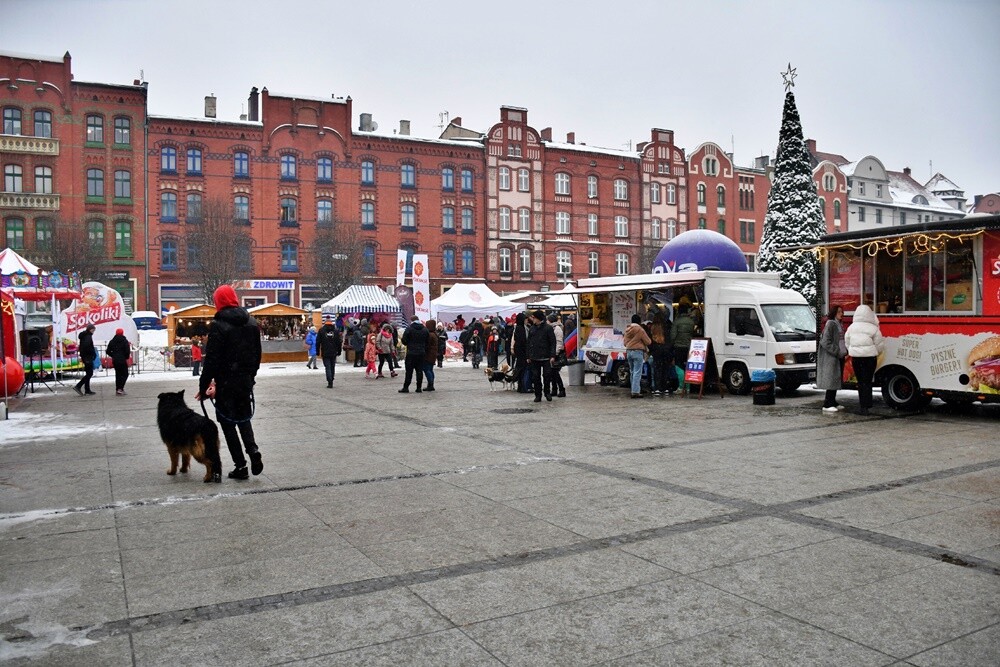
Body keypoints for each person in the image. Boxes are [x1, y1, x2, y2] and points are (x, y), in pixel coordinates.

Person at [196, 284, 263, 479]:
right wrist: (251, 376)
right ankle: (253, 451)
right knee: (243, 419)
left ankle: (240, 466)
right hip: (244, 382)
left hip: (225, 383)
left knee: (227, 423)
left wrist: (204, 385)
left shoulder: (219, 325)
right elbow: (257, 354)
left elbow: (212, 360)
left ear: (219, 302)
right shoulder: (251, 322)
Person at [845, 304, 884, 416]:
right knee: (867, 381)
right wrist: (873, 352)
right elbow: (879, 345)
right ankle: (867, 405)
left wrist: (853, 350)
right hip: (870, 359)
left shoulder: (851, 328)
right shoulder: (873, 328)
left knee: (861, 382)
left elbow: (847, 342)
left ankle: (862, 407)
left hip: (856, 359)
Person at [817, 305, 847, 413]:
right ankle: (827, 404)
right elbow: (825, 341)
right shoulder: (831, 324)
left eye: (842, 311)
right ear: (834, 313)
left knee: (835, 379)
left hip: (839, 355)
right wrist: (837, 351)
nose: (841, 314)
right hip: (832, 357)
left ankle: (833, 401)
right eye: (839, 312)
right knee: (831, 379)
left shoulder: (838, 324)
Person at [525, 310, 556, 402]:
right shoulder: (532, 329)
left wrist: (552, 355)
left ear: (538, 318)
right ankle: (538, 394)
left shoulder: (548, 328)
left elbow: (552, 342)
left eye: (534, 317)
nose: (532, 319)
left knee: (547, 376)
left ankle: (547, 393)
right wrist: (528, 356)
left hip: (546, 356)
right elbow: (529, 343)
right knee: (535, 376)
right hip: (534, 357)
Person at [624, 314, 652, 398]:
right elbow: (648, 341)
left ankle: (634, 389)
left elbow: (624, 343)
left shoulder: (627, 329)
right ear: (639, 321)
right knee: (637, 372)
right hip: (637, 352)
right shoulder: (640, 330)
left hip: (629, 352)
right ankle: (635, 391)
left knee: (632, 371)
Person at [399, 316, 429, 393]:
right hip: (421, 353)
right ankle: (419, 388)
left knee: (409, 371)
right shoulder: (425, 329)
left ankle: (406, 387)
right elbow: (427, 341)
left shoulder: (409, 329)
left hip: (411, 353)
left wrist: (409, 343)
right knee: (419, 371)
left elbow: (404, 340)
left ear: (412, 320)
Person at [647, 310, 673, 396]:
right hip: (665, 350)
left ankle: (657, 388)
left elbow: (650, 341)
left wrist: (651, 350)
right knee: (665, 369)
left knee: (657, 369)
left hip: (656, 351)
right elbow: (669, 339)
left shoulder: (652, 327)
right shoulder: (665, 327)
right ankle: (665, 388)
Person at [670, 303, 696, 383]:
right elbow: (692, 333)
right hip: (689, 346)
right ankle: (688, 387)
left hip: (678, 346)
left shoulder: (677, 322)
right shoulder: (691, 322)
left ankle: (681, 386)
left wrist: (671, 345)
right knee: (687, 366)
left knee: (679, 366)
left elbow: (673, 335)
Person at [317, 314, 342, 388]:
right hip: (333, 351)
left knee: (327, 367)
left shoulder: (321, 330)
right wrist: (339, 351)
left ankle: (329, 380)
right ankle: (332, 378)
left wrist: (318, 351)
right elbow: (339, 342)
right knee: (332, 366)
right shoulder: (336, 331)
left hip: (325, 351)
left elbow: (318, 341)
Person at [105, 328, 131, 396]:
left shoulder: (112, 341)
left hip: (115, 360)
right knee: (125, 374)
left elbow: (107, 351)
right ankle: (120, 388)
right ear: (122, 333)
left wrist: (113, 355)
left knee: (118, 375)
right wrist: (126, 357)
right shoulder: (125, 341)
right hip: (122, 360)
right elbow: (127, 351)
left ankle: (117, 389)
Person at [73, 324, 97, 396]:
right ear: (91, 329)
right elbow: (87, 347)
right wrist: (93, 353)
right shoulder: (88, 336)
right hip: (87, 357)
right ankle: (78, 386)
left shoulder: (84, 336)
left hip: (85, 356)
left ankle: (87, 389)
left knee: (88, 373)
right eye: (93, 330)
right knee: (90, 373)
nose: (93, 331)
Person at [547, 314, 566, 398]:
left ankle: (561, 389)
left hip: (555, 354)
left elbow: (559, 342)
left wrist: (555, 353)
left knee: (555, 372)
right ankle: (554, 389)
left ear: (550, 320)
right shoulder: (552, 328)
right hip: (551, 353)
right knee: (552, 373)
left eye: (547, 320)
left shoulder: (557, 329)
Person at [511, 312, 529, 392]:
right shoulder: (520, 328)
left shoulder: (519, 327)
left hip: (519, 351)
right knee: (522, 370)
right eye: (525, 319)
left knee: (521, 369)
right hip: (522, 352)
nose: (526, 321)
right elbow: (522, 341)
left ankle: (520, 386)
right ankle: (522, 387)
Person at [423, 319, 438, 391]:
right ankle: (431, 384)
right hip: (433, 354)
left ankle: (430, 384)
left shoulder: (430, 335)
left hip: (429, 354)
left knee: (427, 369)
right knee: (430, 369)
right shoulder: (434, 334)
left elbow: (427, 345)